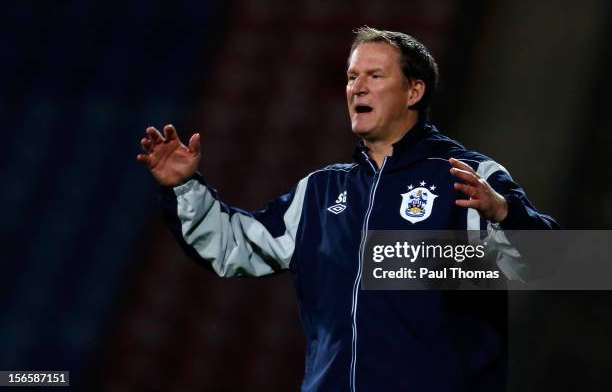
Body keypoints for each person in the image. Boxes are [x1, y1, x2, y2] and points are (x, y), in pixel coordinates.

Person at [137, 27, 559, 392]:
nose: (357, 87)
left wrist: (505, 214)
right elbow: (235, 248)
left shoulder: (464, 177)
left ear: (414, 91)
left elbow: (557, 264)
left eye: (375, 75)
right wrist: (184, 188)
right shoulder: (320, 191)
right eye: (351, 76)